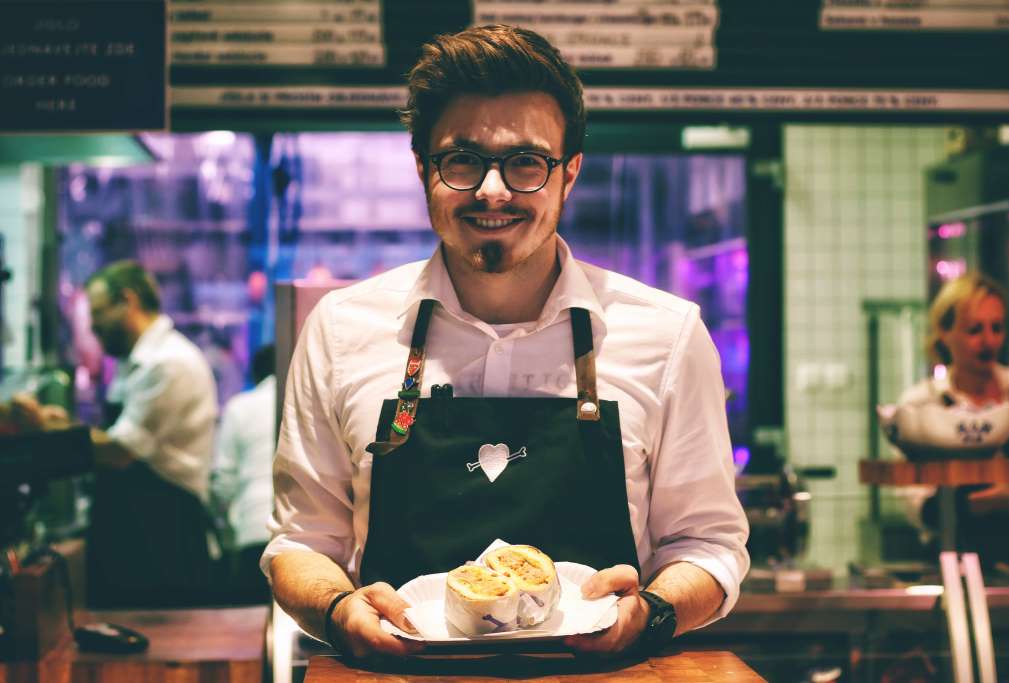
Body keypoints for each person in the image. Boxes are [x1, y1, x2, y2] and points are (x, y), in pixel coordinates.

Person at [263, 25, 749, 658]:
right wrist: (336, 611)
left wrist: (650, 613)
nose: (493, 190)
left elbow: (708, 545)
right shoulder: (340, 328)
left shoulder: (666, 335)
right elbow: (301, 543)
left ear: (569, 174)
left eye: (525, 162)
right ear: (423, 170)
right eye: (462, 161)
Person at [80, 260, 219, 606]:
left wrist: (50, 437)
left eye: (97, 313)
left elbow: (119, 451)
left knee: (164, 649)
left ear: (128, 301)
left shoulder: (167, 362)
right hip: (139, 526)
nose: (92, 326)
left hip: (163, 532)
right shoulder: (137, 362)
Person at [898, 272, 1009, 566]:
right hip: (950, 555)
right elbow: (915, 503)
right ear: (944, 331)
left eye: (996, 328)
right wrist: (969, 506)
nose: (988, 340)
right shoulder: (921, 404)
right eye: (974, 330)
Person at [210, 343, 276, 603]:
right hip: (306, 544)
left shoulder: (240, 407)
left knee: (250, 624)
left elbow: (223, 481)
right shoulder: (312, 401)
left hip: (252, 530)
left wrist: (226, 535)